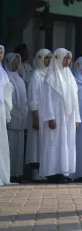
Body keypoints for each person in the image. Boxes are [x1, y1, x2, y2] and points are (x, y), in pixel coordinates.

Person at [39, 48, 80, 183]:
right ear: (58, 59)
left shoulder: (70, 77)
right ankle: (52, 173)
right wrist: (50, 117)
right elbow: (46, 100)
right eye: (65, 58)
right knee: (54, 142)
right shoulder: (50, 78)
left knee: (66, 143)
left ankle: (63, 171)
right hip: (55, 116)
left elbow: (75, 100)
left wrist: (76, 119)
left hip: (68, 117)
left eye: (69, 58)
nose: (67, 61)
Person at [26, 48, 51, 182]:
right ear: (40, 59)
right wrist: (35, 116)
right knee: (35, 144)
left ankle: (42, 170)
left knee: (42, 144)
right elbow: (33, 98)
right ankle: (34, 172)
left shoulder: (48, 74)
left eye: (50, 58)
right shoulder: (36, 75)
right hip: (37, 114)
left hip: (46, 114)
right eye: (46, 58)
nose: (49, 60)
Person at [3, 51, 27, 181]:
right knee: (11, 147)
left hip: (21, 116)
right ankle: (10, 173)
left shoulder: (20, 78)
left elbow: (24, 98)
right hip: (12, 115)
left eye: (18, 62)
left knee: (19, 148)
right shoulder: (6, 77)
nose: (17, 64)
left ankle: (18, 173)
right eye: (14, 62)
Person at [0, 47, 12, 186]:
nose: (0, 55)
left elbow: (8, 94)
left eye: (2, 52)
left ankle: (3, 176)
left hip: (1, 109)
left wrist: (8, 113)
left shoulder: (3, 72)